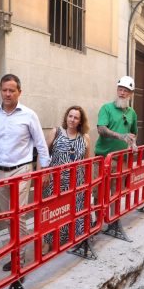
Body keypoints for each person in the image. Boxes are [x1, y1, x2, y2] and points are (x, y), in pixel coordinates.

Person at [0, 74, 50, 271]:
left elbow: (41, 145)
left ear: (19, 92)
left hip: (22, 170)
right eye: (4, 90)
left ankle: (20, 262)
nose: (8, 94)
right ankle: (15, 251)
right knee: (7, 216)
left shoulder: (29, 115)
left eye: (12, 90)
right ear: (0, 91)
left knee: (19, 216)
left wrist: (44, 170)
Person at [42, 106, 91, 250]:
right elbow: (43, 153)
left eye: (76, 117)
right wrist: (43, 173)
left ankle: (75, 238)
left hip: (76, 181)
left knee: (75, 210)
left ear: (80, 121)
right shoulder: (56, 132)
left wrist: (88, 181)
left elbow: (88, 160)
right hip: (55, 182)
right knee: (53, 211)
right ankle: (48, 242)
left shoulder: (85, 137)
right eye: (70, 116)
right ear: (66, 117)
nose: (72, 120)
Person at [94, 75, 138, 231]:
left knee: (116, 191)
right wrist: (120, 136)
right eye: (120, 89)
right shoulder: (106, 108)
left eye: (126, 91)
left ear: (131, 94)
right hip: (103, 158)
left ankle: (113, 221)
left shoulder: (132, 113)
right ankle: (97, 221)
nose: (122, 93)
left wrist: (133, 143)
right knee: (99, 191)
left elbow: (133, 133)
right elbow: (101, 129)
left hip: (121, 160)